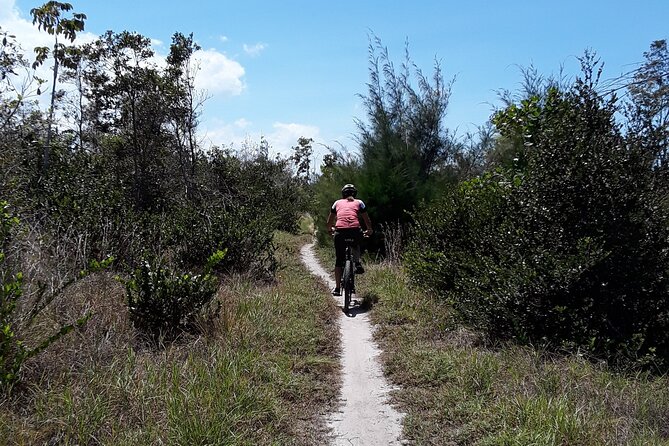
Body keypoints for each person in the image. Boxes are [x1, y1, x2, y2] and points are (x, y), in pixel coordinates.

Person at [326, 183, 373, 296]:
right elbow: (367, 219)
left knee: (339, 260)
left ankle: (337, 288)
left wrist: (330, 230)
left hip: (340, 232)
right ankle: (357, 262)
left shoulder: (337, 203)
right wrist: (369, 230)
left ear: (343, 194)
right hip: (355, 231)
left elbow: (329, 221)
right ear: (354, 194)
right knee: (356, 243)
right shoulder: (359, 202)